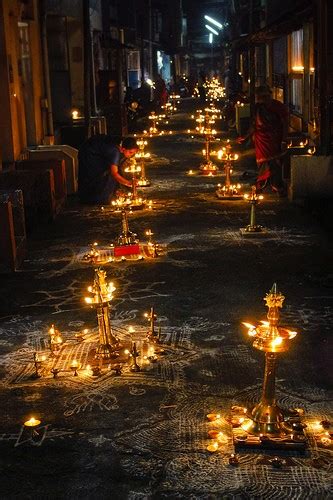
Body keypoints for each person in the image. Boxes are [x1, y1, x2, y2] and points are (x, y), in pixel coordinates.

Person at [237, 85, 289, 196]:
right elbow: (254, 125)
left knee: (275, 163)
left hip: (275, 139)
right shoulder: (258, 108)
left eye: (265, 96)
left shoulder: (278, 107)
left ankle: (277, 186)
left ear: (270, 95)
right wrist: (245, 136)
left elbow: (285, 124)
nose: (263, 99)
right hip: (261, 140)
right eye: (261, 97)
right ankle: (261, 184)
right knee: (262, 163)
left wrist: (284, 140)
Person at [78, 135, 138, 204]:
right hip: (89, 153)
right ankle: (98, 198)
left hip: (92, 149)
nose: (132, 155)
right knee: (101, 175)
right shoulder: (115, 152)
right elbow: (114, 173)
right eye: (130, 152)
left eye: (134, 153)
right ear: (123, 149)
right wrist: (128, 183)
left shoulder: (120, 145)